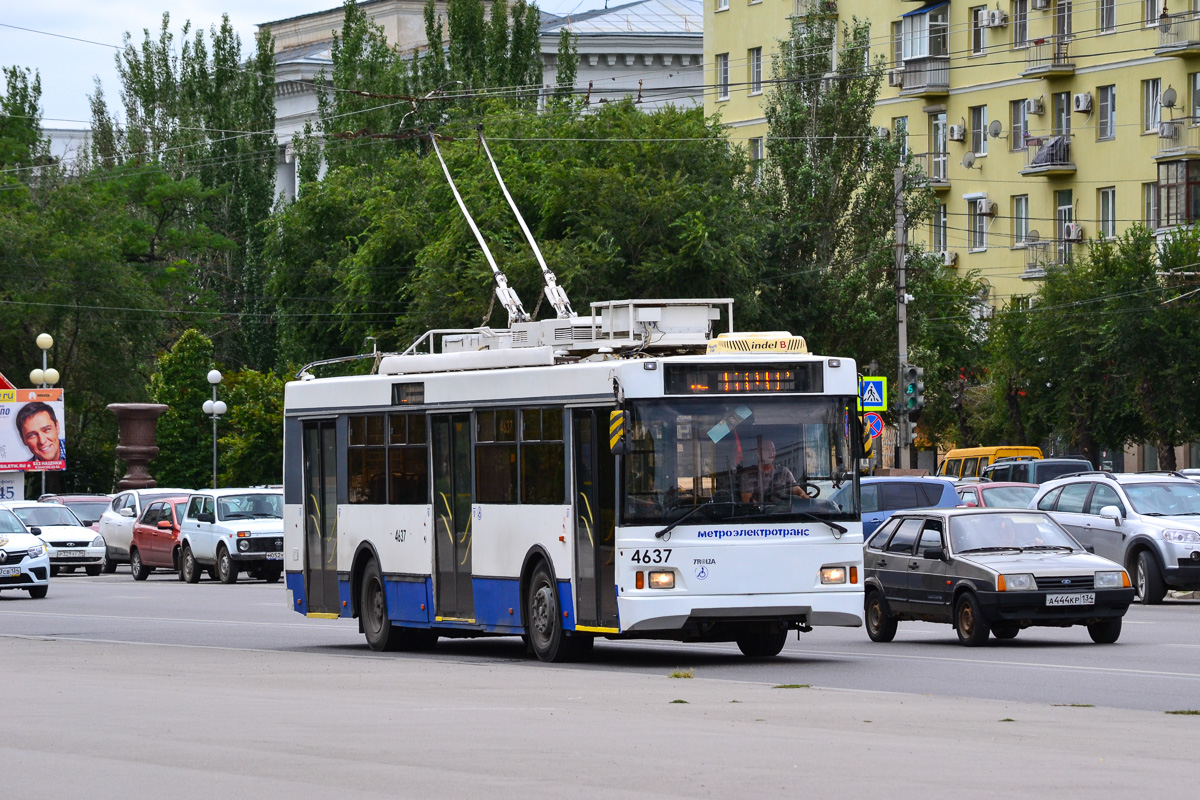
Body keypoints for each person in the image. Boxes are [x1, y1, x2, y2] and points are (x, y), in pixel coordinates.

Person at [740, 439, 806, 503]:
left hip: (785, 512)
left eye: (773, 450)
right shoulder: (749, 475)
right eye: (767, 450)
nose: (772, 453)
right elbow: (747, 500)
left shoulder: (784, 472)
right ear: (758, 453)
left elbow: (796, 489)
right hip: (762, 513)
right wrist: (762, 509)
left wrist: (802, 494)